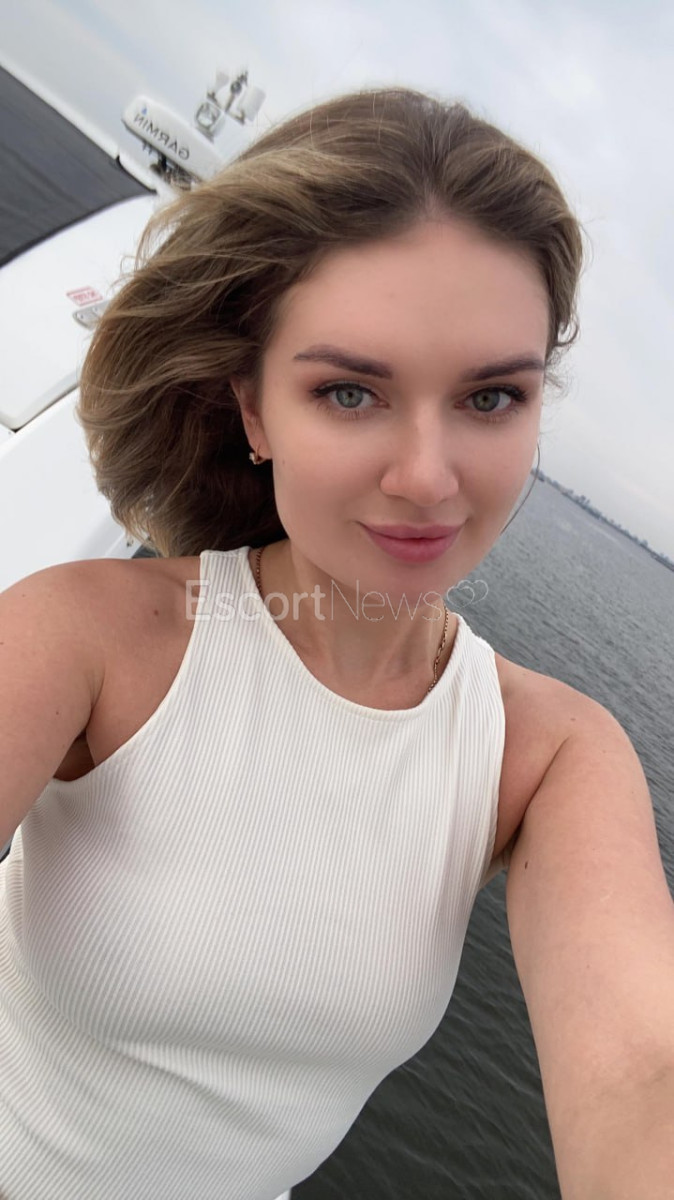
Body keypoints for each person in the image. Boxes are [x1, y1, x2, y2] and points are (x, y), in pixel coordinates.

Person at [1, 87, 672, 1200]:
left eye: (490, 399)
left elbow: (644, 1071)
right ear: (254, 410)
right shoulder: (85, 638)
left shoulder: (548, 755)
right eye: (351, 391)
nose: (426, 477)